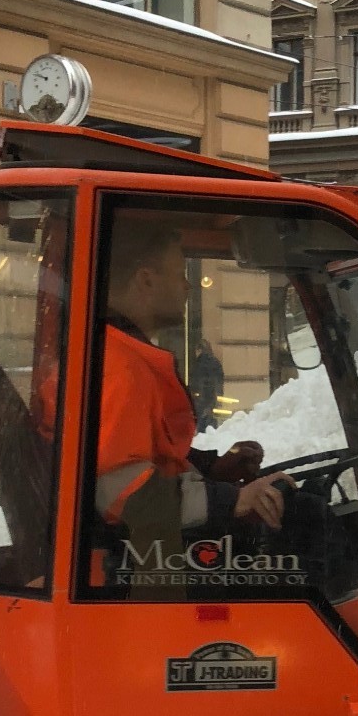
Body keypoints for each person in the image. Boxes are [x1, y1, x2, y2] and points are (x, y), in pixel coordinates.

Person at [96, 216, 288, 554]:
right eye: (180, 275)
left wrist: (212, 469)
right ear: (146, 281)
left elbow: (149, 456)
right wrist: (232, 500)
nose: (188, 287)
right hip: (142, 559)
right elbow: (119, 490)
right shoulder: (120, 368)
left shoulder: (120, 357)